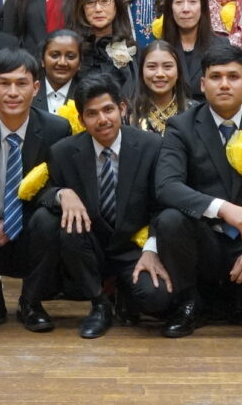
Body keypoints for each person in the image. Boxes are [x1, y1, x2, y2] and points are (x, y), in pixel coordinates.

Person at [146, 42, 242, 336]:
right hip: (201, 237)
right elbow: (167, 186)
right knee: (170, 219)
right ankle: (190, 301)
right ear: (202, 84)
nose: (224, 84)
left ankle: (234, 303)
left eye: (233, 77)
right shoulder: (181, 127)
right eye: (215, 77)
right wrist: (221, 208)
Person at [0, 49, 87, 332]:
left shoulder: (56, 129)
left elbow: (52, 188)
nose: (13, 92)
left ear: (36, 88)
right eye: (4, 83)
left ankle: (31, 301)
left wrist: (13, 222)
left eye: (22, 83)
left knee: (51, 219)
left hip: (30, 226)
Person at [48, 72, 165, 337]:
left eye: (108, 110)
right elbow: (42, 192)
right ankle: (99, 304)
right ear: (81, 119)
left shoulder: (152, 146)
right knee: (68, 226)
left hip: (133, 246)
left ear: (122, 108)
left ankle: (124, 291)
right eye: (92, 114)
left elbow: (163, 203)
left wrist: (151, 248)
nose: (102, 120)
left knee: (156, 299)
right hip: (90, 247)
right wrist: (62, 193)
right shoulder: (63, 152)